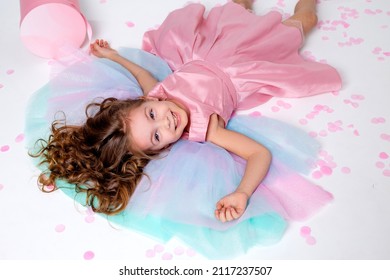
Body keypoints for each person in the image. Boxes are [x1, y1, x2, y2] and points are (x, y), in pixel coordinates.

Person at [28, 0, 341, 258]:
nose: (165, 121)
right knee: (300, 24)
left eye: (151, 113)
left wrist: (112, 55)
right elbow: (259, 153)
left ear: (143, 101)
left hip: (210, 47)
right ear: (161, 149)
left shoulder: (158, 93)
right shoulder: (207, 129)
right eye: (157, 136)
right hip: (246, 65)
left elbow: (140, 74)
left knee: (237, 7)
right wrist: (242, 193)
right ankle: (306, 9)